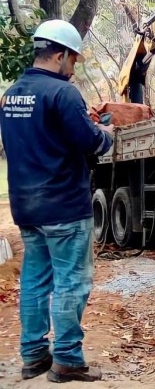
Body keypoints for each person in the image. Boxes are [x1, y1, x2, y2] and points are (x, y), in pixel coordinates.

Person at [0, 20, 114, 383]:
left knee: (35, 280)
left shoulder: (12, 94)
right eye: (74, 60)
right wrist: (107, 132)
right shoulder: (63, 94)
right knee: (71, 282)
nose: (73, 66)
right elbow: (91, 143)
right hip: (64, 205)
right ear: (61, 54)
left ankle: (33, 356)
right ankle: (66, 358)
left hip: (27, 208)